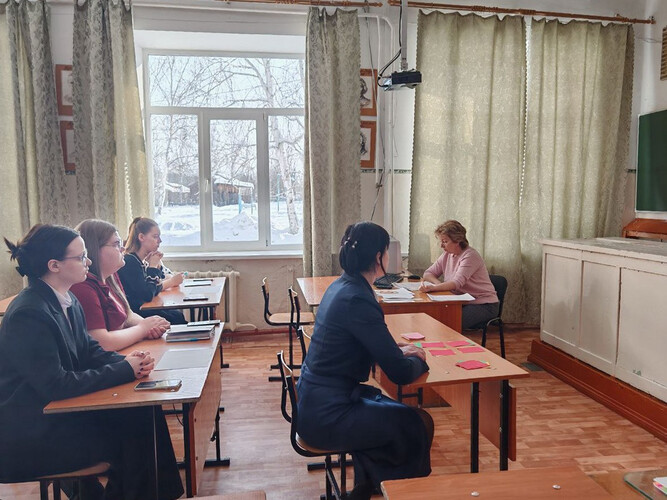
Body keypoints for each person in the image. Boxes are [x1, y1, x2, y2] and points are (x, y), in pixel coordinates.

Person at [0, 224, 183, 500]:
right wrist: (123, 370)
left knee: (146, 413)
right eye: (81, 257)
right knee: (134, 433)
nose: (88, 262)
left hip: (57, 416)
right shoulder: (30, 313)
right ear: (54, 265)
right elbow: (56, 384)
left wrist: (130, 362)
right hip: (33, 433)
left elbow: (89, 351)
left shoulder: (66, 299)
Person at [296, 221, 433, 500]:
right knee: (414, 423)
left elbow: (361, 341)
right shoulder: (357, 298)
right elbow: (401, 374)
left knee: (403, 418)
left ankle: (365, 490)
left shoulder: (342, 285)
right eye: (387, 251)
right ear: (378, 257)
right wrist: (421, 358)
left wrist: (396, 350)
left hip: (317, 402)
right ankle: (398, 492)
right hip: (328, 414)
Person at [71, 219, 170, 352]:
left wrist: (151, 326)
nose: (123, 248)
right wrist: (142, 329)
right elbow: (102, 342)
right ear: (95, 249)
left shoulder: (112, 276)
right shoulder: (83, 287)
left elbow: (128, 315)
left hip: (125, 352)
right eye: (116, 244)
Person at [419, 220, 499, 330]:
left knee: (447, 324)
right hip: (460, 301)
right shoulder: (447, 254)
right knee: (433, 317)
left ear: (457, 241)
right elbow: (428, 273)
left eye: (445, 241)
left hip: (483, 304)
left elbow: (456, 283)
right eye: (441, 241)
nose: (441, 245)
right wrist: (437, 284)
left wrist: (433, 288)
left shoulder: (470, 256)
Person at [117, 217, 186, 325]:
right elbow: (147, 295)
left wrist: (155, 266)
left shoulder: (140, 261)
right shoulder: (130, 262)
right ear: (141, 237)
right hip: (136, 314)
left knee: (176, 315)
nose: (160, 241)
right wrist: (152, 267)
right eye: (155, 236)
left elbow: (154, 288)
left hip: (142, 309)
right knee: (176, 318)